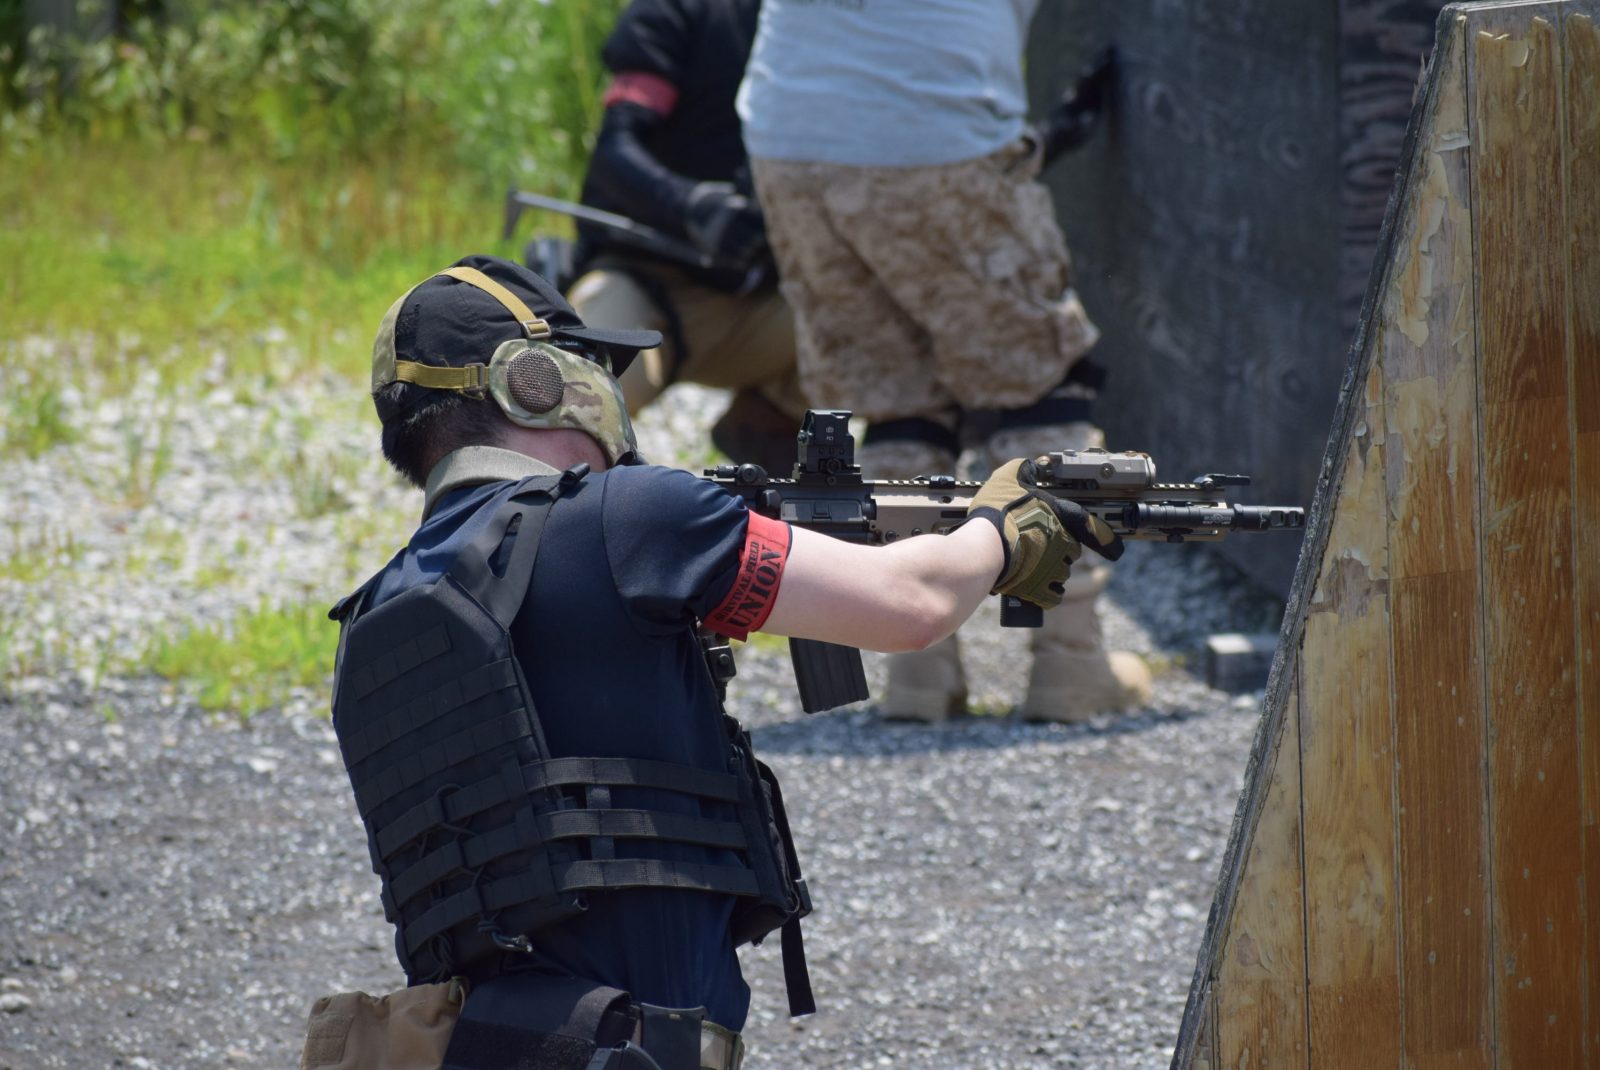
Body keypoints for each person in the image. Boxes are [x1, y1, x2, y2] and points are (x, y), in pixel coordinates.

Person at [304, 255, 1121, 1070]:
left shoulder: (378, 614)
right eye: (587, 364)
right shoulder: (626, 518)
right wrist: (1004, 526)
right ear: (534, 383)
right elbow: (912, 605)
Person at [736, 1, 1150, 725]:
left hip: (788, 131)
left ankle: (919, 674)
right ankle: (1070, 662)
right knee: (1039, 387)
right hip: (929, 126)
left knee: (896, 396)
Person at [564, 0, 804, 474]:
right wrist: (691, 206)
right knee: (573, 405)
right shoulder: (677, 11)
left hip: (758, 307)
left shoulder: (827, 23)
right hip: (642, 286)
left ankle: (769, 427)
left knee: (875, 315)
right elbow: (615, 151)